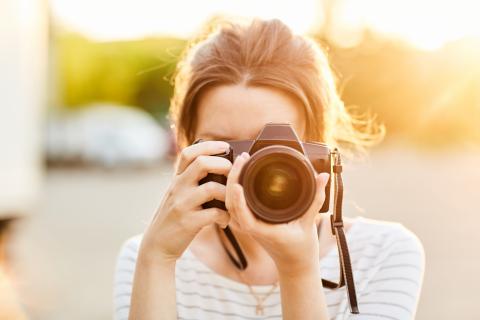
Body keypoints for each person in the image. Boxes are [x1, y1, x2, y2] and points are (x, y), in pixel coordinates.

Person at [113, 18, 425, 320]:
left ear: (319, 150)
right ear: (185, 145)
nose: (247, 171)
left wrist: (298, 270)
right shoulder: (150, 256)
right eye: (225, 147)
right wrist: (157, 258)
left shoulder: (382, 254)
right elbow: (154, 256)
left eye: (269, 148)